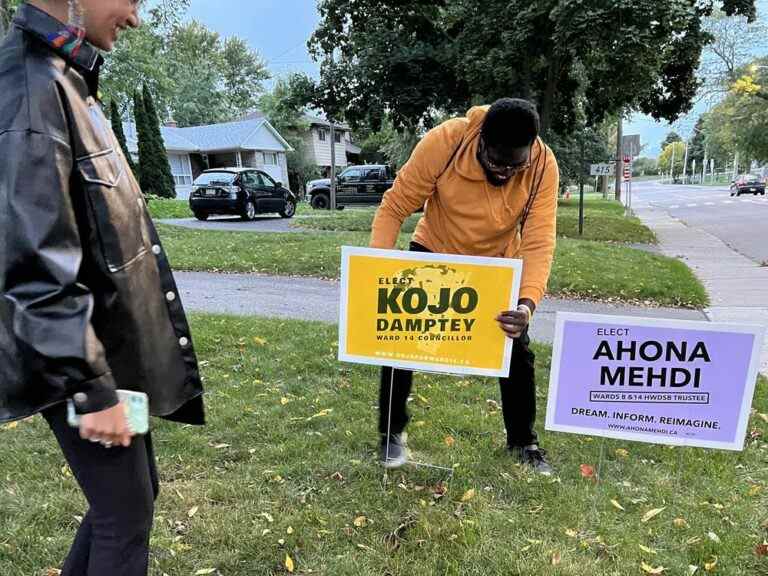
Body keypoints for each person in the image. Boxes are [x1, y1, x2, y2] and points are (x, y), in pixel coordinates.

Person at [0, 1, 205, 574]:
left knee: (135, 502)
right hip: (75, 357)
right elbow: (32, 262)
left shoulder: (67, 79)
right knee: (125, 518)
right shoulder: (29, 89)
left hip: (106, 352)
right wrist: (90, 389)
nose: (136, 17)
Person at [370, 98, 559, 474]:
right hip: (434, 247)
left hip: (497, 262)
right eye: (496, 162)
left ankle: (523, 441)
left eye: (514, 165)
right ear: (480, 141)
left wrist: (526, 304)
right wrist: (379, 269)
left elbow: (539, 239)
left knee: (516, 349)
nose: (505, 172)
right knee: (399, 338)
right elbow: (395, 206)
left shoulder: (541, 165)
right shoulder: (446, 141)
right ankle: (391, 434)